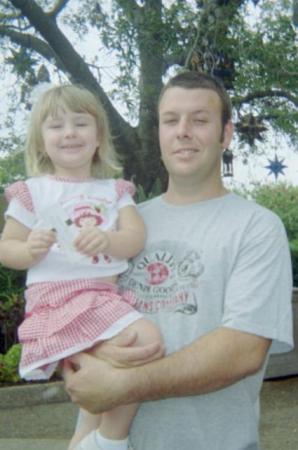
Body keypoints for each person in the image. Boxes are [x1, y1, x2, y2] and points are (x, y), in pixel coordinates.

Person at [63, 71, 294, 450]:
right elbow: (82, 313)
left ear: (226, 134)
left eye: (200, 120)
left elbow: (242, 350)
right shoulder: (120, 224)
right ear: (159, 133)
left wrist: (124, 384)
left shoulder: (256, 227)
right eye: (171, 120)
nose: (183, 131)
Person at [0, 84, 164, 450]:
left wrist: (108, 240)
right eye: (56, 126)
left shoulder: (114, 190)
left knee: (107, 375)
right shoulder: (33, 191)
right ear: (40, 141)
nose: (69, 133)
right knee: (146, 341)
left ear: (98, 137)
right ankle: (111, 439)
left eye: (80, 123)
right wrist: (30, 249)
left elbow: (135, 238)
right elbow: (6, 249)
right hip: (57, 297)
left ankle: (84, 440)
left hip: (103, 295)